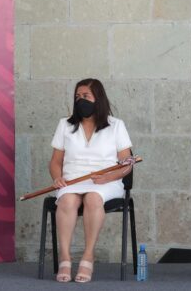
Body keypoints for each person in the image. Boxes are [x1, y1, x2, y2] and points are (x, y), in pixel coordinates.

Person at [49, 78, 133, 283]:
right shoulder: (65, 125)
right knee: (67, 201)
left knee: (93, 199)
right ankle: (65, 257)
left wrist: (109, 176)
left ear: (98, 99)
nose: (81, 100)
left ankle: (88, 255)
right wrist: (57, 178)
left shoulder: (116, 125)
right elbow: (55, 162)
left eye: (86, 96)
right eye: (78, 96)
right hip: (72, 181)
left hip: (107, 183)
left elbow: (127, 163)